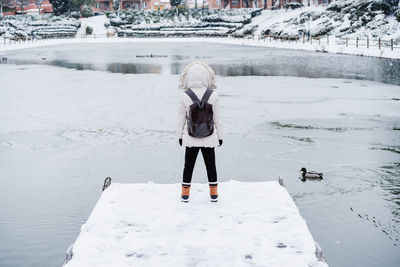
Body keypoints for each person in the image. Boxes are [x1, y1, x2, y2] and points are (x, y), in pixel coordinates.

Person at [176, 61, 223, 203]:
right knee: (211, 166)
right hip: (209, 137)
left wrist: (180, 136)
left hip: (190, 138)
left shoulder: (185, 96)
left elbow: (180, 120)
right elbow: (217, 119)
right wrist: (220, 136)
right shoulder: (213, 95)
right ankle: (214, 195)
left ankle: (185, 195)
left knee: (188, 166)